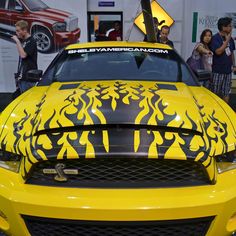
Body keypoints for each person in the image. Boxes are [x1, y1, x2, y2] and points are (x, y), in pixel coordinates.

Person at [210, 17, 236, 103]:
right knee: (215, 93)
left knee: (226, 92)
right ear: (223, 27)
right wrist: (227, 40)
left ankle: (226, 112)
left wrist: (234, 65)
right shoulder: (215, 38)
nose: (231, 28)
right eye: (229, 26)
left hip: (228, 71)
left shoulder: (230, 39)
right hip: (217, 71)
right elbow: (218, 51)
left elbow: (231, 53)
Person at [11, 20, 38, 94]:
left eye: (18, 31)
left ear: (25, 30)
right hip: (23, 78)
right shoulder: (25, 41)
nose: (16, 33)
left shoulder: (31, 41)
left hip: (29, 79)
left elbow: (23, 55)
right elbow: (21, 56)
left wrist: (17, 41)